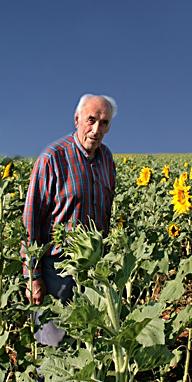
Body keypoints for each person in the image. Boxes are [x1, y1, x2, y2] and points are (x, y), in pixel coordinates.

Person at [22, 93, 117, 346]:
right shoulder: (52, 158)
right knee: (56, 351)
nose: (96, 129)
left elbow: (106, 215)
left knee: (87, 347)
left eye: (104, 123)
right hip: (57, 271)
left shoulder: (107, 160)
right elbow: (31, 222)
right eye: (91, 120)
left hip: (94, 272)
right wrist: (33, 276)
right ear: (77, 119)